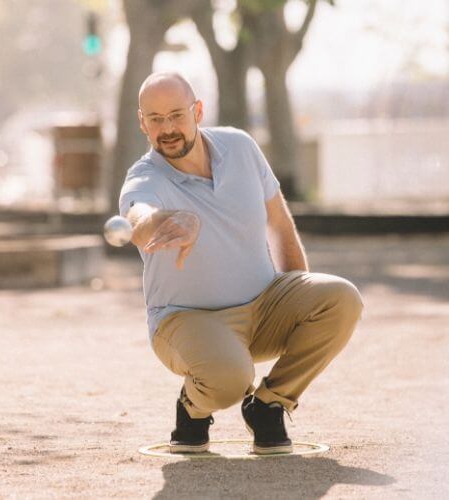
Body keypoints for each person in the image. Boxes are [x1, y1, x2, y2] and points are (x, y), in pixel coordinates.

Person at [119, 72, 363, 454]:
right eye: (155, 119)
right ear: (142, 123)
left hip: (263, 306)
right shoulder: (144, 176)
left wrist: (298, 296)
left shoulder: (240, 147)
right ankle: (192, 409)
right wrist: (170, 220)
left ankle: (268, 406)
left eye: (176, 115)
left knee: (341, 298)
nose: (167, 128)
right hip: (185, 321)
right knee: (230, 378)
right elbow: (139, 216)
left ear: (198, 110)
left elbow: (279, 225)